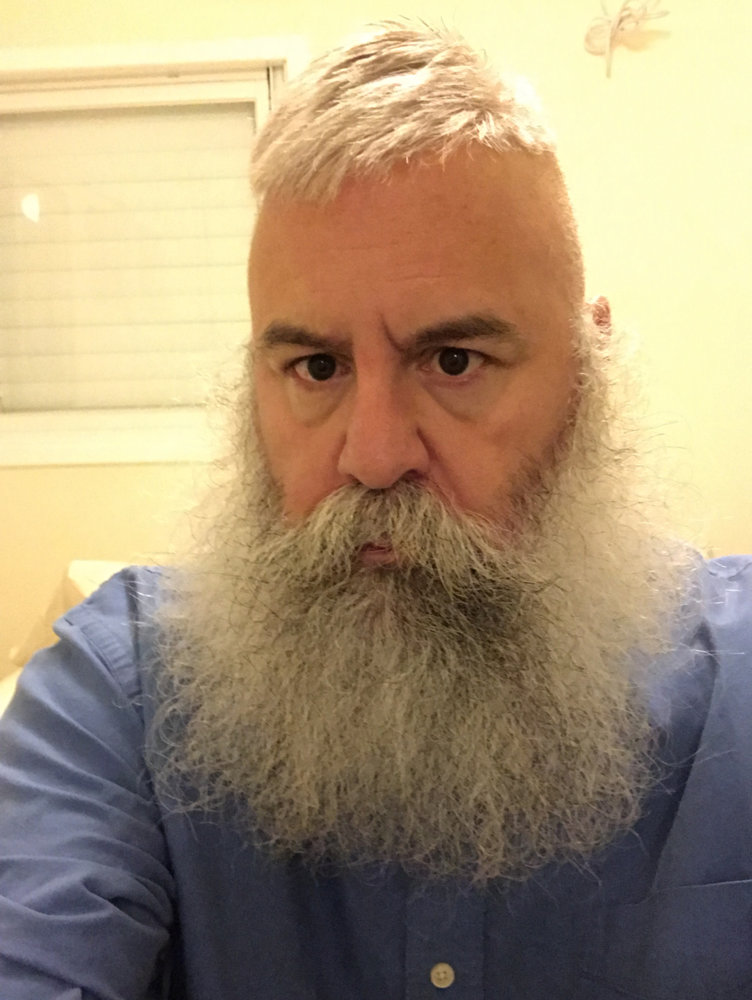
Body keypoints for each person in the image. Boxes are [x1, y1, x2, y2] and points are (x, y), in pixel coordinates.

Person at [1, 20, 751, 1000]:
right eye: (315, 368)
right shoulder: (120, 696)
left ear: (588, 370)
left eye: (454, 361)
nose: (373, 455)